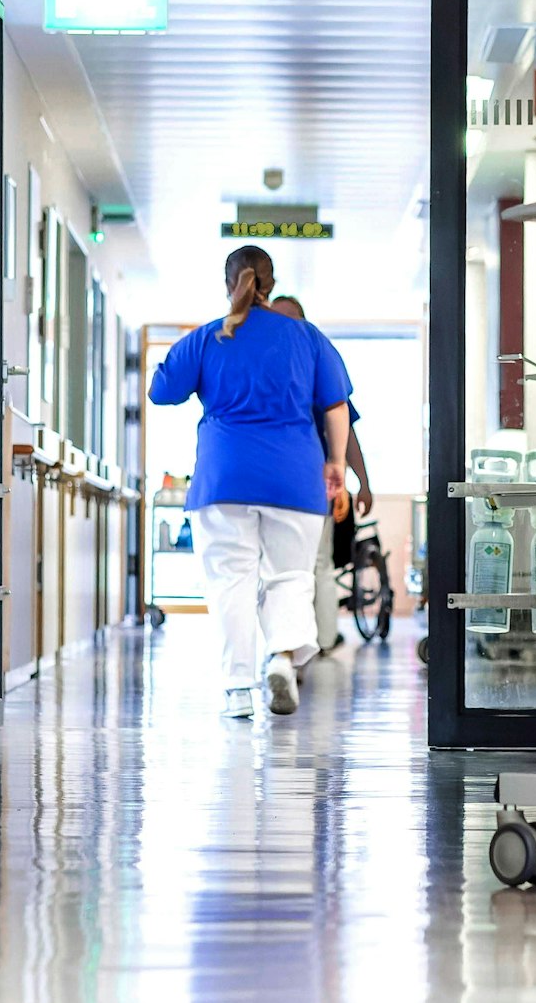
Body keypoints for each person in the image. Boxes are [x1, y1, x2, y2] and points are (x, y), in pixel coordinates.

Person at [148, 247, 351, 718]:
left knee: (230, 585)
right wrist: (335, 463)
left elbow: (161, 391)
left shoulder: (208, 338)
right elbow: (336, 406)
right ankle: (280, 658)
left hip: (224, 477)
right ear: (271, 284)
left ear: (227, 283)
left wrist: (195, 351)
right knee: (291, 579)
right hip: (294, 478)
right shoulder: (306, 337)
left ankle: (238, 689)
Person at [269, 293, 376, 652]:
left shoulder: (318, 367)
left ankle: (322, 641)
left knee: (318, 564)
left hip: (318, 485)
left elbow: (348, 432)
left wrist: (363, 481)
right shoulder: (267, 366)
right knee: (282, 567)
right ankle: (288, 643)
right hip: (271, 487)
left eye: (293, 321)